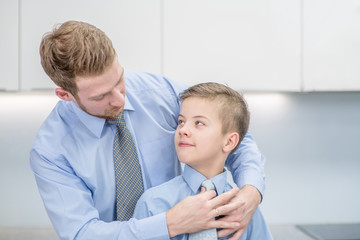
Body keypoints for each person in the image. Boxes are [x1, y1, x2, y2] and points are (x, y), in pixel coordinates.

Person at [30, 20, 266, 240]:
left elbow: (231, 131)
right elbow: (82, 233)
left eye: (119, 80)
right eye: (101, 96)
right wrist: (171, 223)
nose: (120, 99)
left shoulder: (159, 93)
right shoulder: (51, 151)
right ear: (65, 95)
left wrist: (252, 190)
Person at [133, 82, 272, 240]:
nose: (183, 130)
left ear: (228, 142)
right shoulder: (152, 203)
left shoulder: (244, 209)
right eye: (181, 121)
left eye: (199, 123)